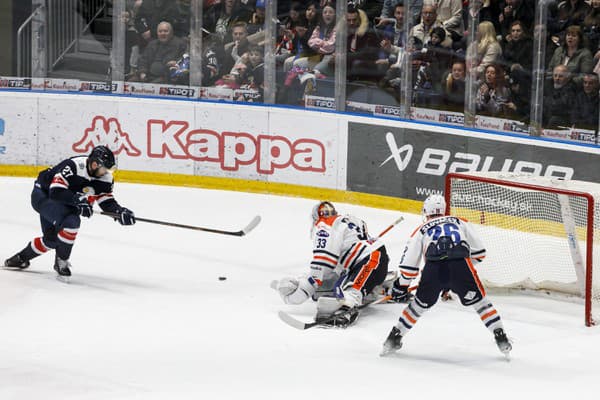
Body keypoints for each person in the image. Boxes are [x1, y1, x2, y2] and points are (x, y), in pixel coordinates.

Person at [381, 194, 511, 356]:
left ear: (426, 211)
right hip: (461, 266)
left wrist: (401, 286)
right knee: (481, 304)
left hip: (433, 270)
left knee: (418, 306)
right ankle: (501, 336)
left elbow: (409, 267)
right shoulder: (460, 221)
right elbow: (480, 253)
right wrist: (460, 268)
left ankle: (393, 338)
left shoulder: (421, 230)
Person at [3, 146, 136, 278]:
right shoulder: (74, 166)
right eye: (105, 168)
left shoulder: (105, 178)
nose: (107, 172)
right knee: (71, 222)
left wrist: (119, 212)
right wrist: (78, 200)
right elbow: (55, 191)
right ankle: (62, 260)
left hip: (64, 201)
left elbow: (106, 202)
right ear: (95, 164)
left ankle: (20, 258)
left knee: (53, 239)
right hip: (44, 195)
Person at [275, 201, 389, 327]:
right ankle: (376, 289)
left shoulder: (324, 225)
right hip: (371, 261)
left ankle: (346, 310)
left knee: (351, 293)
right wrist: (307, 284)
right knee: (335, 287)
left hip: (370, 260)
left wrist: (301, 292)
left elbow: (322, 264)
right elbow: (330, 272)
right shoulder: (347, 220)